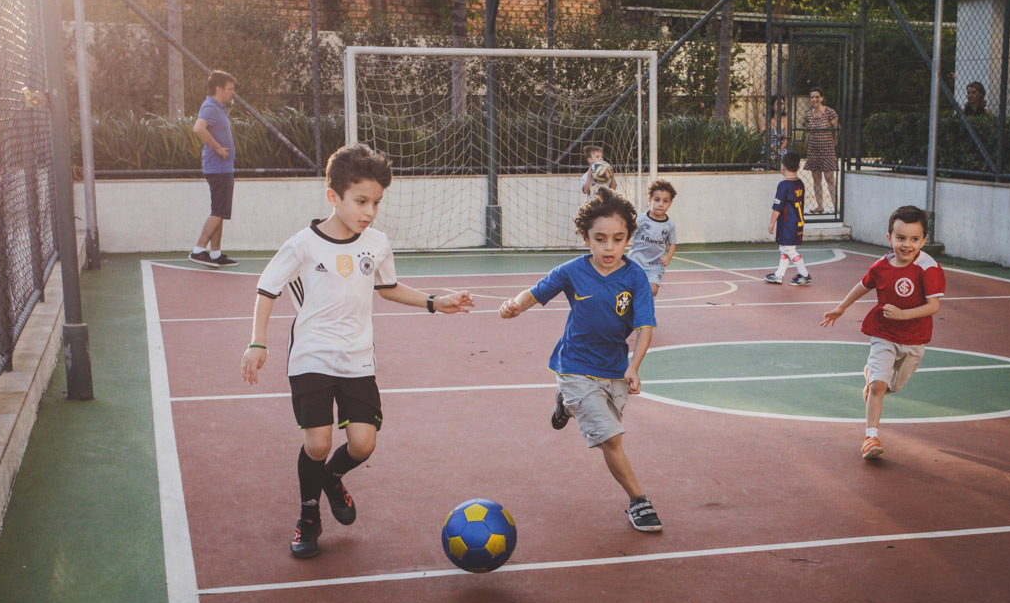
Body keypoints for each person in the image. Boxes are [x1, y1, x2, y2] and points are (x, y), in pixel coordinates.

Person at [240, 143, 475, 558]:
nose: (370, 211)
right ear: (333, 196)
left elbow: (388, 287)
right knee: (317, 444)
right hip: (311, 356)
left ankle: (331, 478)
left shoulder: (377, 242)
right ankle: (309, 515)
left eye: (376, 202)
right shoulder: (302, 244)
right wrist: (258, 342)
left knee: (363, 444)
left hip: (358, 358)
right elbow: (266, 289)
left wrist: (435, 301)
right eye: (361, 201)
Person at [498, 188, 662, 533]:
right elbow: (535, 292)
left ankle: (567, 405)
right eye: (600, 239)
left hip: (614, 368)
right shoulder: (572, 271)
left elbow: (645, 326)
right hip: (574, 366)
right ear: (586, 238)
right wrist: (514, 306)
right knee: (611, 439)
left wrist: (634, 365)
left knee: (610, 427)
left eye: (618, 239)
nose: (609, 248)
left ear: (628, 239)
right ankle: (639, 501)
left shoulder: (635, 278)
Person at [820, 205, 945, 460]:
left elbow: (933, 306)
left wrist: (903, 314)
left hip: (914, 339)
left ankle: (873, 378)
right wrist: (841, 307)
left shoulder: (928, 268)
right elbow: (863, 285)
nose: (907, 245)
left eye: (914, 239)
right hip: (883, 333)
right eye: (900, 238)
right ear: (889, 238)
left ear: (924, 241)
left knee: (893, 386)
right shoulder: (881, 266)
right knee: (878, 386)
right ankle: (870, 437)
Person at [189, 70, 240, 268]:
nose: (233, 92)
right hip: (218, 169)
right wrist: (218, 148)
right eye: (230, 89)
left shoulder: (218, 108)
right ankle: (198, 250)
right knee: (219, 211)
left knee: (220, 211)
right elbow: (198, 128)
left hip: (223, 168)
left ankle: (215, 253)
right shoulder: (210, 107)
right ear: (219, 89)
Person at [764, 151, 810, 286]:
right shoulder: (799, 183)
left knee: (789, 249)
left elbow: (777, 207)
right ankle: (779, 275)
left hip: (788, 223)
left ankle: (804, 274)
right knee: (784, 248)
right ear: (798, 167)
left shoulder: (784, 185)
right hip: (796, 222)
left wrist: (772, 222)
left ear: (782, 166)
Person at [630, 179, 678, 297]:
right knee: (629, 289)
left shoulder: (670, 225)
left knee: (652, 290)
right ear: (649, 200)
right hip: (635, 262)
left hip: (655, 266)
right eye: (657, 200)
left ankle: (644, 305)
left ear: (670, 203)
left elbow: (672, 243)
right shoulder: (640, 219)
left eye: (665, 201)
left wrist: (668, 257)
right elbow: (627, 234)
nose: (661, 204)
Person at [801, 87, 839, 214]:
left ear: (822, 98)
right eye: (812, 97)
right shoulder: (808, 115)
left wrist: (835, 140)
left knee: (829, 178)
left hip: (827, 149)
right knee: (816, 178)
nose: (814, 99)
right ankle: (819, 206)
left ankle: (836, 206)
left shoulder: (830, 112)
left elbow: (836, 128)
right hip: (813, 149)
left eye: (817, 97)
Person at [762, 95, 789, 164]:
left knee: (784, 158)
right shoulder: (765, 120)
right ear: (772, 106)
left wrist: (780, 148)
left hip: (782, 148)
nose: (781, 106)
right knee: (768, 157)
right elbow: (763, 138)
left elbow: (787, 138)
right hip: (768, 147)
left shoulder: (786, 119)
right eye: (778, 104)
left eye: (782, 104)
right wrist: (772, 148)